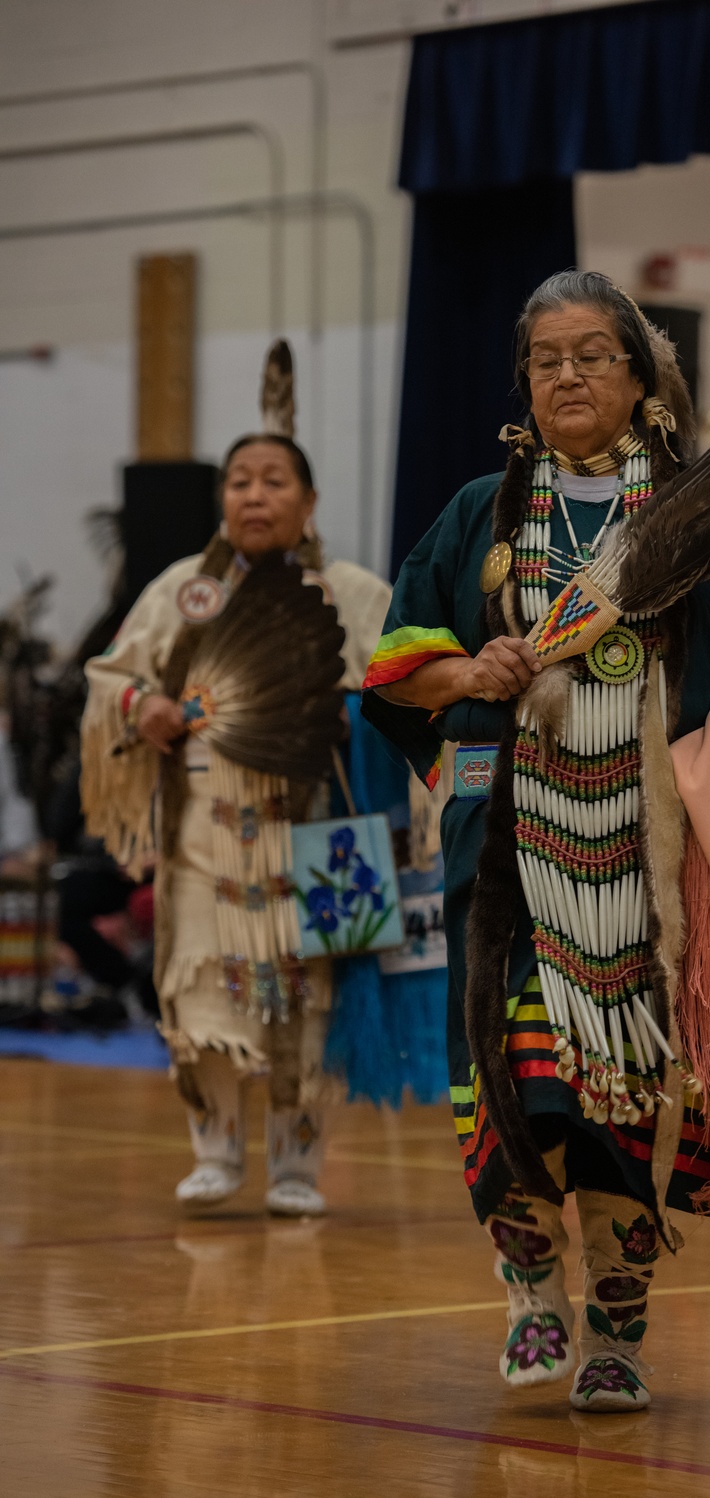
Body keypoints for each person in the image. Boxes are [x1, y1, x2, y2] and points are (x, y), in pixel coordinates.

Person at [363, 271, 710, 1412]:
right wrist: (476, 668)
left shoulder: (704, 520)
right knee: (523, 1093)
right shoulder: (481, 516)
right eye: (545, 358)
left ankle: (616, 1318)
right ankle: (528, 1288)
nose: (566, 375)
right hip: (510, 859)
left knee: (623, 1106)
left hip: (653, 873)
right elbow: (399, 671)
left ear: (642, 377)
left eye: (592, 353)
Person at [81, 342, 390, 1215]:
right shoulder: (184, 593)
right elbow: (111, 676)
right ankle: (215, 1151)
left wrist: (349, 713)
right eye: (239, 482)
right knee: (205, 983)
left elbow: (412, 690)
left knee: (312, 995)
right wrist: (142, 705)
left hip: (320, 829)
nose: (254, 495)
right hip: (205, 830)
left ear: (310, 501)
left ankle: (297, 1165)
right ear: (222, 500)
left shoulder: (353, 596)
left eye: (274, 480)